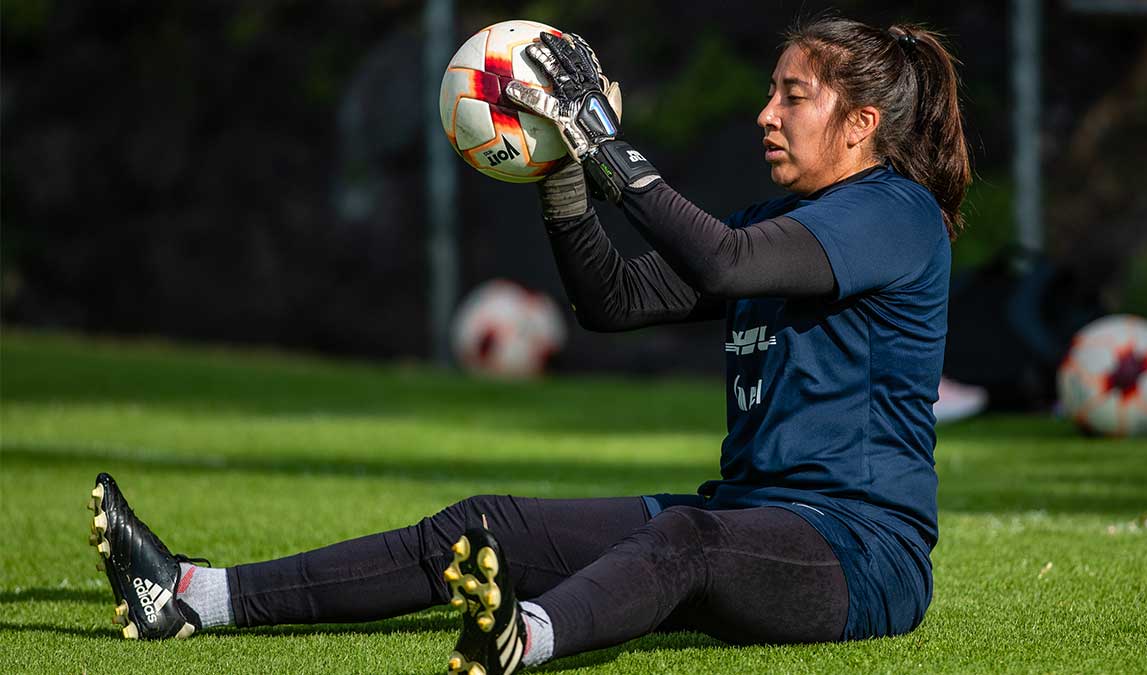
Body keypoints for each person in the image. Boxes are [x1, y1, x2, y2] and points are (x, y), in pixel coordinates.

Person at [87, 16, 970, 674]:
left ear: (859, 125)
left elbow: (724, 261)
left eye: (794, 96)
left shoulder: (897, 213)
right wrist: (563, 177)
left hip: (860, 553)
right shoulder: (782, 220)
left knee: (687, 539)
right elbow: (614, 301)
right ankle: (196, 596)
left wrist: (606, 143)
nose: (765, 113)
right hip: (753, 516)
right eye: (771, 90)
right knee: (485, 525)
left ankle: (523, 638)